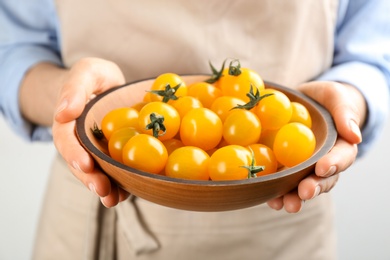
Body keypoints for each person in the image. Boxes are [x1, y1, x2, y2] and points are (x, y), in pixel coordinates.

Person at [1, 0, 389, 259]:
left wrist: (349, 100)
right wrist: (67, 97)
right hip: (95, 200)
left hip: (283, 216)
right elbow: (13, 44)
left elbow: (374, 47)